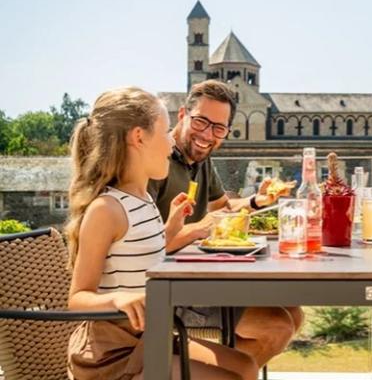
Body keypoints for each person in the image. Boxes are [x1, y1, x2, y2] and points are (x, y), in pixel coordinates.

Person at [65, 87, 257, 379]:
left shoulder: (144, 200)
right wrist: (118, 298)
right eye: (166, 132)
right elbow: (78, 297)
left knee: (246, 366)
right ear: (139, 137)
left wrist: (170, 229)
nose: (171, 143)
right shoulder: (107, 209)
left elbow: (142, 253)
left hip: (152, 338)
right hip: (114, 356)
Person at [147, 80, 303, 368]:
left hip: (202, 280)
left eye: (219, 128)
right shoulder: (156, 161)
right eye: (201, 122)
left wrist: (257, 201)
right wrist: (202, 227)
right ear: (182, 115)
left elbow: (224, 209)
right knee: (277, 325)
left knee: (294, 314)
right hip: (168, 292)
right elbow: (147, 246)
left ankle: (229, 371)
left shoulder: (200, 160)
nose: (208, 135)